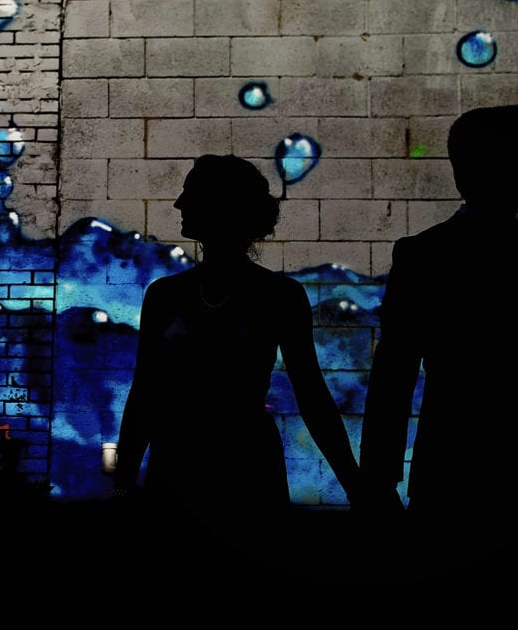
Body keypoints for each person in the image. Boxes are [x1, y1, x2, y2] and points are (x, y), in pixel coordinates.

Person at [356, 104, 518, 570]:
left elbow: (393, 377)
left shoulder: (424, 257)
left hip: (455, 478)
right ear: (497, 163)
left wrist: (378, 480)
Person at [110, 154, 362, 570]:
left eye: (189, 194)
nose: (178, 204)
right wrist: (123, 485)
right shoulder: (175, 295)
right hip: (207, 462)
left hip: (226, 466)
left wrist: (353, 482)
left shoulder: (268, 296)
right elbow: (144, 395)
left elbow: (311, 394)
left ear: (218, 207)